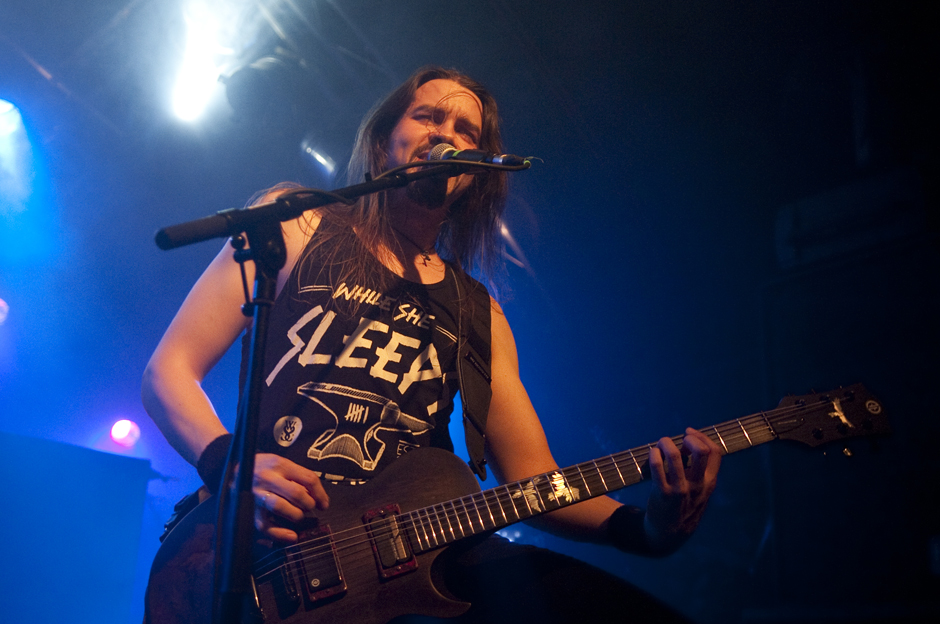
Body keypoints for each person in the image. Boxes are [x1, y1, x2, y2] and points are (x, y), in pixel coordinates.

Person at [142, 66, 721, 623]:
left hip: (409, 567)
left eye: (464, 131)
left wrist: (646, 529)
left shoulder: (479, 312)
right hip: (265, 552)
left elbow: (532, 478)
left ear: (477, 171)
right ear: (384, 139)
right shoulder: (296, 225)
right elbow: (169, 370)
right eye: (428, 117)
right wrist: (231, 467)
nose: (445, 134)